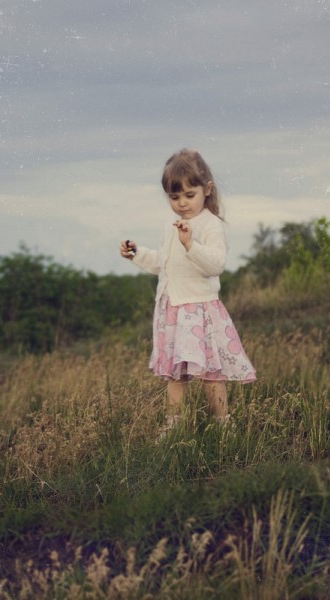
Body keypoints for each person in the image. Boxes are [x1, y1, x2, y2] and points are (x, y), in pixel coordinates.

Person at [120, 149, 256, 436]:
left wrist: (190, 244)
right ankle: (174, 427)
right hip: (172, 309)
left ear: (207, 189)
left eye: (189, 195)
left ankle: (223, 427)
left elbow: (215, 265)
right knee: (175, 374)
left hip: (199, 310)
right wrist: (136, 253)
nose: (182, 203)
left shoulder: (210, 225)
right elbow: (163, 263)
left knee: (210, 374)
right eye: (174, 197)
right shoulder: (171, 226)